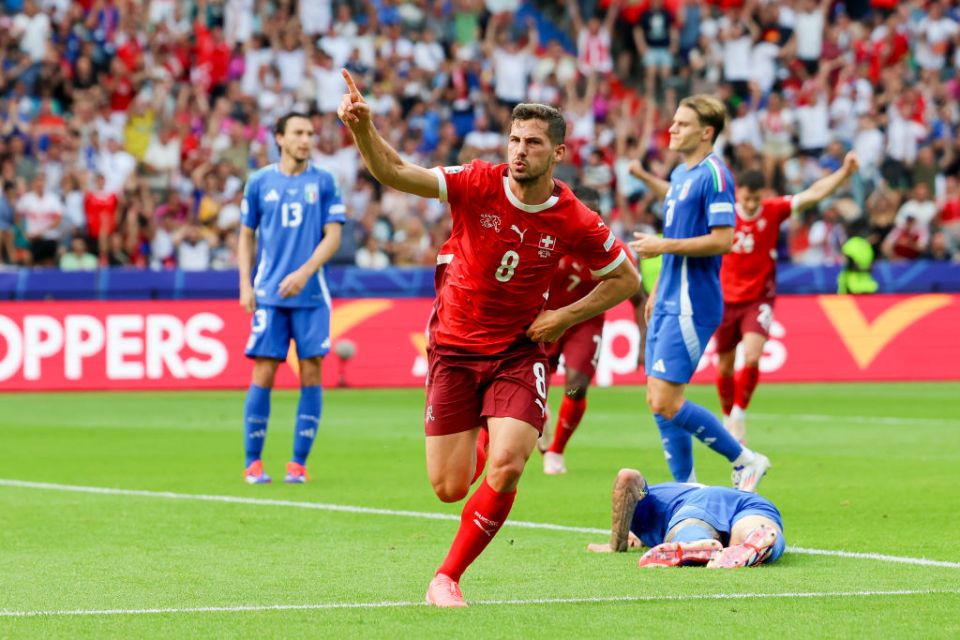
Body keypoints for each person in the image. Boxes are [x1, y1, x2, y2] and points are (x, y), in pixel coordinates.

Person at [338, 69, 640, 608]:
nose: (520, 152)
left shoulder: (575, 218)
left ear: (558, 153)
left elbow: (626, 279)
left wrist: (564, 317)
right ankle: (485, 428)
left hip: (519, 351)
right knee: (450, 487)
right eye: (515, 140)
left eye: (534, 143)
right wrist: (364, 129)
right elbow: (394, 171)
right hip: (454, 347)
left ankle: (446, 578)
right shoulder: (476, 181)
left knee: (508, 463)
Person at [628, 95, 770, 492]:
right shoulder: (679, 175)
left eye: (682, 124)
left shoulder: (716, 176)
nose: (672, 129)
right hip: (669, 296)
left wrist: (663, 247)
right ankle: (688, 489)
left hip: (694, 302)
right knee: (657, 398)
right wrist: (657, 288)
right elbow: (677, 237)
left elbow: (723, 239)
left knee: (667, 400)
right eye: (673, 122)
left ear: (707, 132)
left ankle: (745, 460)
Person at [716, 156, 859, 443]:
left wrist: (844, 173)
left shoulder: (773, 210)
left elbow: (814, 193)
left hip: (759, 298)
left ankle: (739, 416)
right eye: (747, 198)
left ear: (764, 194)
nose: (752, 204)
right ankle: (728, 415)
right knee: (725, 366)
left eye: (757, 198)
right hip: (725, 299)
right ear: (738, 193)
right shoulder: (722, 215)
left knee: (753, 356)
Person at [238, 111, 346, 485]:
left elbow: (333, 236)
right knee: (264, 370)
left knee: (311, 370)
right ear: (279, 138)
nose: (306, 140)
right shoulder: (259, 182)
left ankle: (297, 463)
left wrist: (304, 273)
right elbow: (245, 235)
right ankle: (253, 462)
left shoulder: (325, 180)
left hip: (312, 293)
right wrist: (245, 285)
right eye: (298, 133)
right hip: (269, 293)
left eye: (310, 133)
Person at [541, 184, 648, 475]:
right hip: (544, 320)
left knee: (576, 387)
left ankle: (556, 451)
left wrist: (642, 343)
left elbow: (640, 299)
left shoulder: (614, 252)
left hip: (584, 324)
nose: (591, 220)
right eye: (584, 213)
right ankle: (541, 414)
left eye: (596, 214)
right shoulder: (549, 239)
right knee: (532, 386)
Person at [586, 467, 785, 569]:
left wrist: (616, 544)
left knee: (692, 530)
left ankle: (699, 543)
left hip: (694, 505)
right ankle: (752, 542)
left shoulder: (645, 506)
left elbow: (627, 476)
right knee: (761, 530)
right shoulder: (670, 493)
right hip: (748, 501)